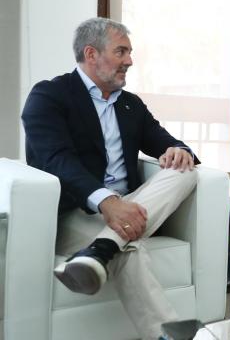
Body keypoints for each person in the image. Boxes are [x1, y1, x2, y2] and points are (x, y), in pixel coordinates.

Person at [22, 17, 198, 339]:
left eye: (129, 53)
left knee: (185, 172)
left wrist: (178, 149)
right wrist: (107, 201)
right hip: (74, 213)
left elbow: (164, 140)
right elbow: (55, 160)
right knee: (128, 249)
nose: (129, 61)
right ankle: (168, 334)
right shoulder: (49, 96)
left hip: (132, 207)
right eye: (121, 52)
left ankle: (101, 248)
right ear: (91, 54)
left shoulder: (130, 104)